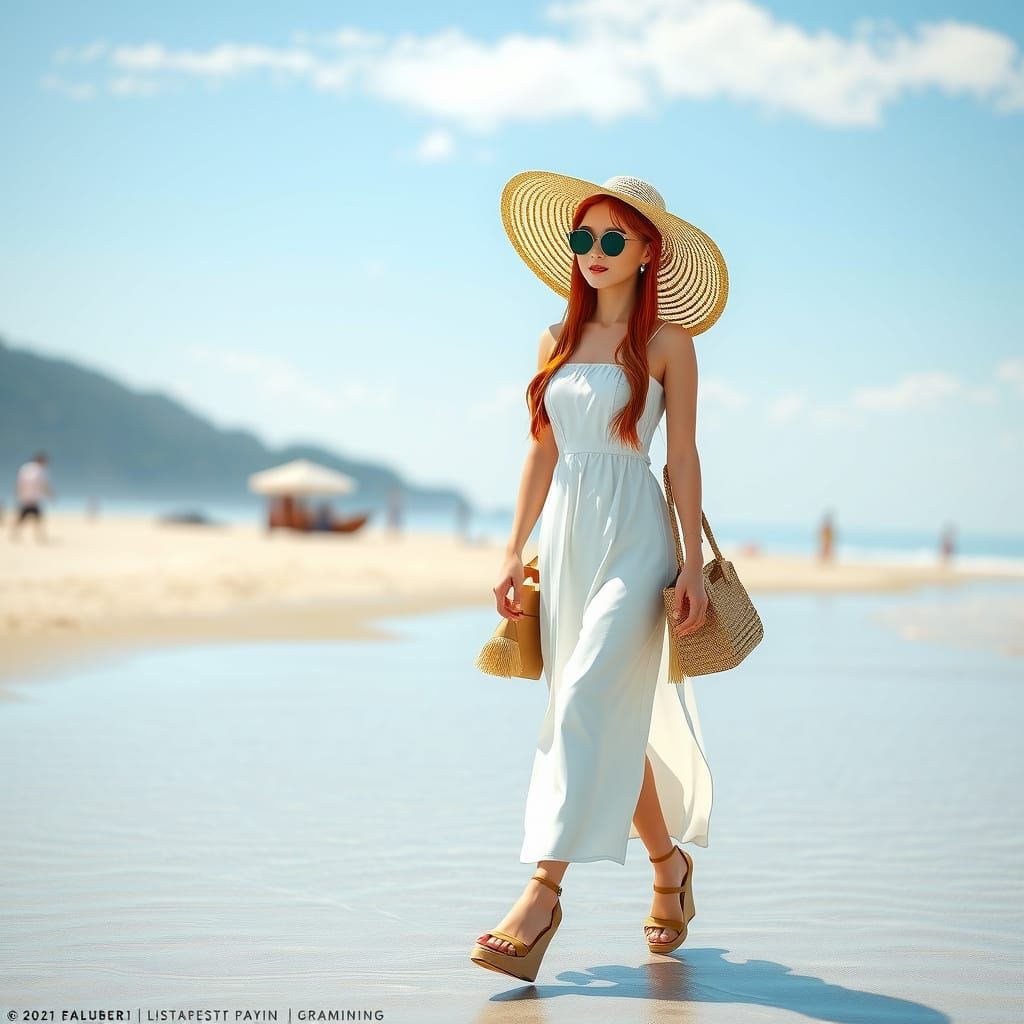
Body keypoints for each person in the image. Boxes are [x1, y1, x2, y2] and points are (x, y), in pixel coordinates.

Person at [469, 172, 727, 981]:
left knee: (583, 698)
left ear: (649, 251)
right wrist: (513, 549)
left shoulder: (668, 344)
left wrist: (689, 561)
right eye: (583, 238)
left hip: (637, 535)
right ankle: (669, 868)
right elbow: (541, 450)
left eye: (613, 239)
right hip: (569, 539)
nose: (594, 253)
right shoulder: (554, 337)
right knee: (599, 714)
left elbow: (680, 457)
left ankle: (542, 893)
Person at [11, 451, 54, 543]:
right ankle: (39, 537)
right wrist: (50, 494)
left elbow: (19, 483)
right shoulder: (40, 470)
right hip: (33, 499)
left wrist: (18, 494)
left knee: (22, 518)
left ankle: (15, 534)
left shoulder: (25, 468)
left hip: (25, 497)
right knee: (37, 518)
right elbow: (43, 484)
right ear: (41, 461)